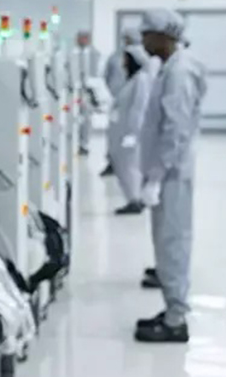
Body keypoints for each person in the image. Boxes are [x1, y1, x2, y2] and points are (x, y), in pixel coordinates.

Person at [135, 9, 207, 343]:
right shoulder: (169, 69)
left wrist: (157, 176)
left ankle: (176, 320)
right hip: (166, 172)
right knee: (165, 243)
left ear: (164, 36)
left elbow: (175, 132)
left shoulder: (179, 73)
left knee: (173, 242)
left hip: (172, 174)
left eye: (146, 34)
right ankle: (171, 307)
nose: (142, 40)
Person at [108, 45, 160, 215]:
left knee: (130, 166)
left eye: (126, 59)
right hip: (123, 131)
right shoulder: (133, 80)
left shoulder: (142, 80)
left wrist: (133, 133)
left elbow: (139, 108)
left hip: (132, 133)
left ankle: (135, 200)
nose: (122, 64)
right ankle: (132, 198)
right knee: (124, 165)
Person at [100, 26, 143, 177]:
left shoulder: (143, 56)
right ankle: (113, 162)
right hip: (118, 100)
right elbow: (107, 75)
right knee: (114, 133)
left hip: (137, 102)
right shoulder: (115, 56)